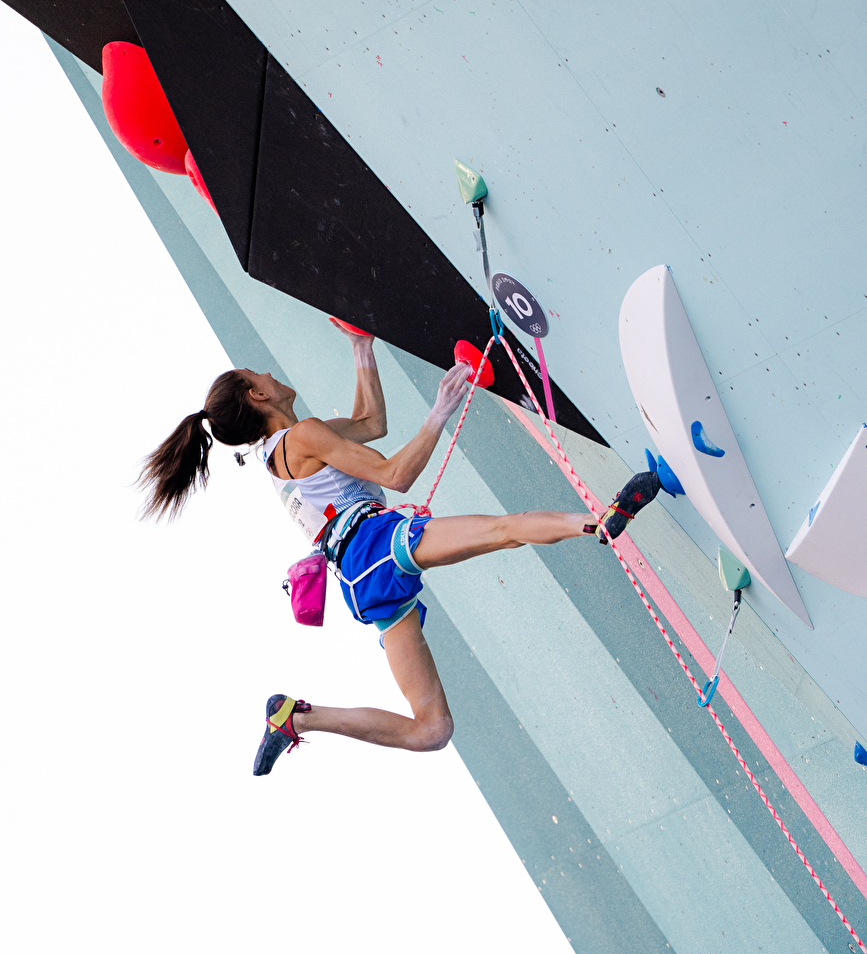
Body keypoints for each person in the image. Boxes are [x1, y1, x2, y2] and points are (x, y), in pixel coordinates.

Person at [138, 320, 594, 775]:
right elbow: (395, 475)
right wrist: (440, 410)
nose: (269, 375)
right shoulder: (303, 437)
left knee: (432, 731)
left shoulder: (279, 454)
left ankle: (295, 718)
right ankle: (600, 522)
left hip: (359, 579)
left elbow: (370, 423)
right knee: (503, 531)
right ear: (257, 396)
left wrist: (362, 348)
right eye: (259, 376)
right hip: (374, 548)